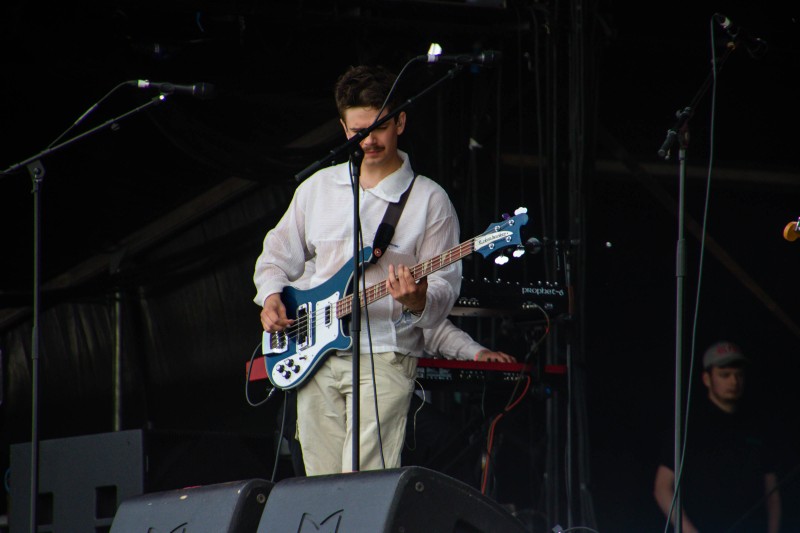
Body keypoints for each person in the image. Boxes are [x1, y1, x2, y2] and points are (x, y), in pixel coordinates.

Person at [254, 64, 463, 476]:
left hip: (385, 354)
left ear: (400, 121)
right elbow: (277, 253)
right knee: (320, 486)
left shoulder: (428, 199)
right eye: (357, 131)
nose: (369, 141)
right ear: (342, 128)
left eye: (379, 127)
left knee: (365, 482)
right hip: (315, 356)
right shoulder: (317, 188)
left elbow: (445, 288)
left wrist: (419, 298)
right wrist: (272, 294)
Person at [653, 341, 781, 533]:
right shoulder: (688, 425)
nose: (733, 381)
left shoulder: (756, 426)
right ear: (707, 378)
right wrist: (689, 531)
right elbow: (662, 487)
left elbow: (771, 492)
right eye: (724, 375)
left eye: (738, 375)